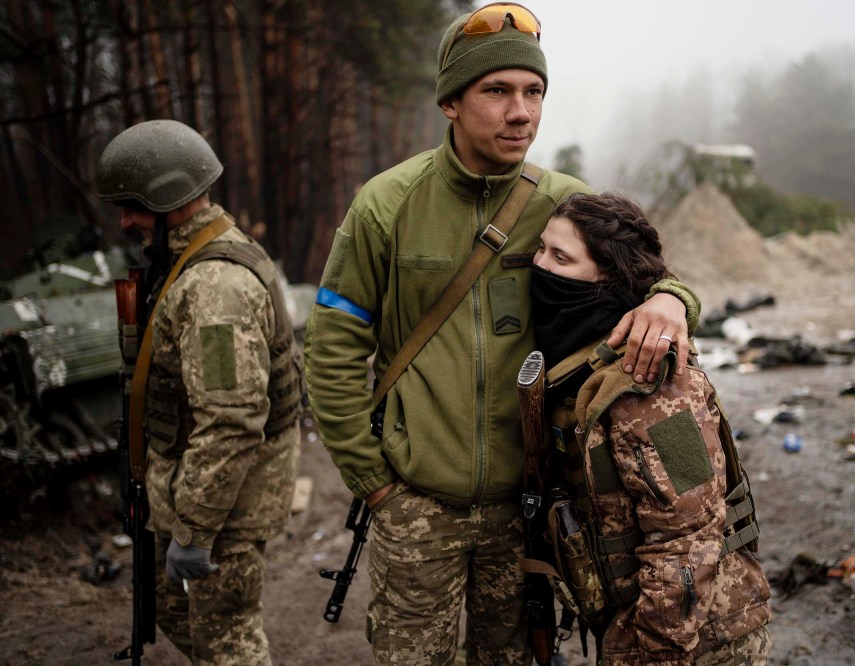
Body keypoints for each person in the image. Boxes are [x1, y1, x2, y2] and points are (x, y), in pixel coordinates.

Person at [304, 4, 700, 664]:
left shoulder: (564, 203)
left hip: (527, 513)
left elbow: (656, 279)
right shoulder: (387, 204)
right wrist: (375, 482)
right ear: (451, 103)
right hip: (417, 504)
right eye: (497, 91)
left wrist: (673, 300)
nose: (521, 113)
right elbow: (333, 345)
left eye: (533, 91)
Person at [531, 191, 772, 665]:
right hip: (641, 624)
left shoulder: (649, 385)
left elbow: (687, 544)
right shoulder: (580, 360)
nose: (540, 267)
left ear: (607, 279)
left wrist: (653, 655)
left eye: (561, 257)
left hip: (702, 640)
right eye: (541, 249)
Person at [97, 119, 302, 665]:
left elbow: (231, 421)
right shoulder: (190, 260)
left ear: (167, 199)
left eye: (134, 207)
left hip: (225, 503)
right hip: (193, 486)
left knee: (227, 643)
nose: (126, 222)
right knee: (172, 608)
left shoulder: (216, 290)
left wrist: (194, 529)